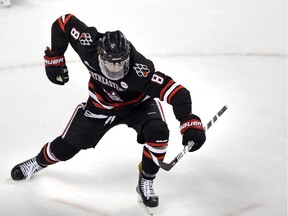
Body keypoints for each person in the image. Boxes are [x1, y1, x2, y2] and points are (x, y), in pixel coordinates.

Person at [11, 14, 206, 209]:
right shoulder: (88, 43)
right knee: (67, 147)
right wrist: (54, 57)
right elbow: (63, 22)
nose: (115, 68)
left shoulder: (141, 70)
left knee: (158, 132)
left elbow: (177, 93)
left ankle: (146, 180)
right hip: (101, 106)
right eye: (110, 63)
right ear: (99, 55)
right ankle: (37, 162)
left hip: (138, 107)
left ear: (128, 57)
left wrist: (188, 122)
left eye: (120, 63)